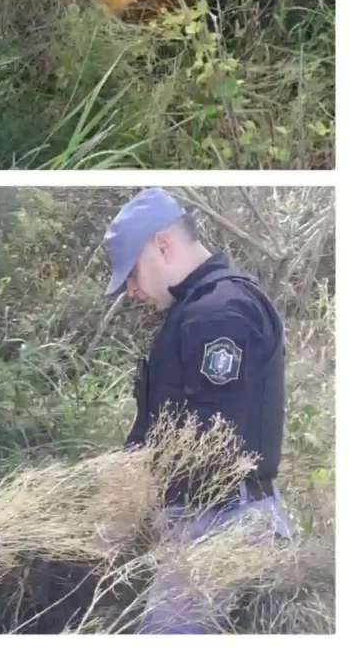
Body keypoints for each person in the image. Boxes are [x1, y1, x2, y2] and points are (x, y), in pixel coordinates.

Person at [102, 188, 291, 634]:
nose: (130, 290)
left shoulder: (217, 313)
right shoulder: (197, 310)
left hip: (222, 520)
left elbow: (210, 441)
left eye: (131, 274)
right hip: (212, 518)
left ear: (162, 245)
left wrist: (127, 501)